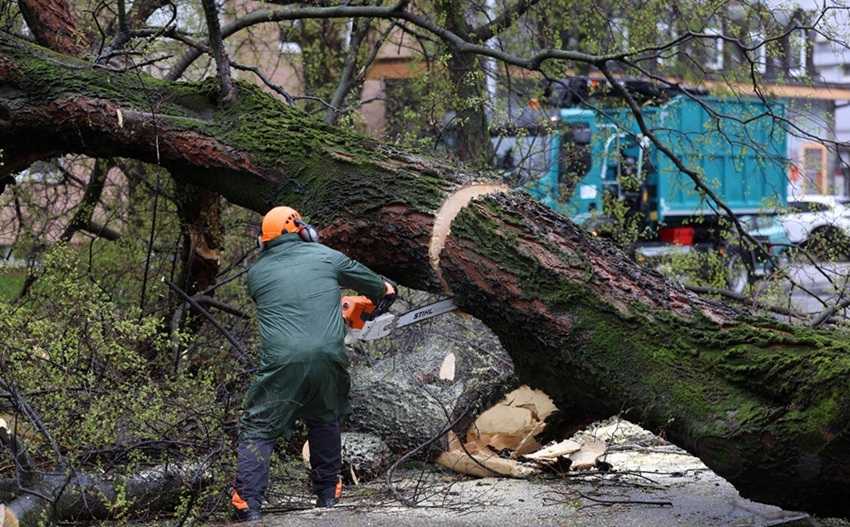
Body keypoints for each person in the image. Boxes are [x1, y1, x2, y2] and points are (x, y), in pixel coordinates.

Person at [231, 206, 394, 522]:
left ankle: (247, 503)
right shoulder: (327, 256)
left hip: (282, 362)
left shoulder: (256, 274)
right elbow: (382, 289)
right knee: (324, 417)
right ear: (302, 230)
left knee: (259, 427)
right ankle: (326, 494)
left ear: (264, 242)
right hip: (328, 356)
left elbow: (290, 299)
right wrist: (377, 301)